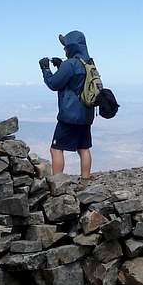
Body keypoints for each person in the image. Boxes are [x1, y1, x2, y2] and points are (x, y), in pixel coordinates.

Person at [39, 30, 95, 178]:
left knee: (56, 149)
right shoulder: (88, 63)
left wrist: (45, 69)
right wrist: (60, 66)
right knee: (83, 148)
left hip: (70, 116)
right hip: (87, 114)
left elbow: (53, 83)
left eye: (66, 46)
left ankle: (57, 184)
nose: (64, 49)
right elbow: (76, 83)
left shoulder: (70, 64)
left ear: (72, 46)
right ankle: (85, 181)